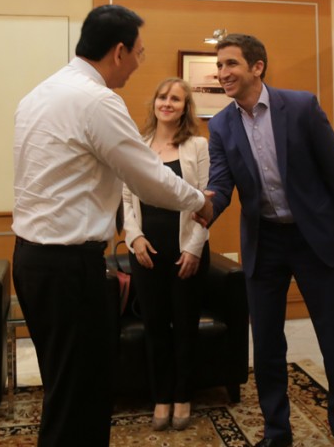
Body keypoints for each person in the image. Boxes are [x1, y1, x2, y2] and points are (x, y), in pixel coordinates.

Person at [12, 4, 214, 447]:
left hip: (30, 260)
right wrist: (200, 201)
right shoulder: (97, 100)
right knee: (82, 394)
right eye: (139, 53)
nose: (139, 62)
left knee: (63, 388)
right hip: (68, 267)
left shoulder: (38, 94)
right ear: (119, 51)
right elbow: (146, 177)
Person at [204, 34, 334, 447]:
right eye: (219, 66)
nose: (222, 73)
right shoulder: (220, 125)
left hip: (314, 238)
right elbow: (221, 184)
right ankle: (277, 432)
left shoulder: (302, 106)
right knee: (267, 343)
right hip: (265, 242)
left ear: (257, 67)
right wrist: (202, 208)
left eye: (230, 64)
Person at [122, 77, 210, 432]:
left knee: (185, 326)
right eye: (162, 97)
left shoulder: (197, 146)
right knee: (155, 325)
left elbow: (206, 200)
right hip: (147, 252)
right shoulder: (138, 145)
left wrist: (193, 249)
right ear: (154, 103)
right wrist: (135, 238)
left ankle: (183, 395)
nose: (167, 103)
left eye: (175, 99)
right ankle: (161, 396)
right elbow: (127, 199)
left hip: (186, 252)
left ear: (185, 107)